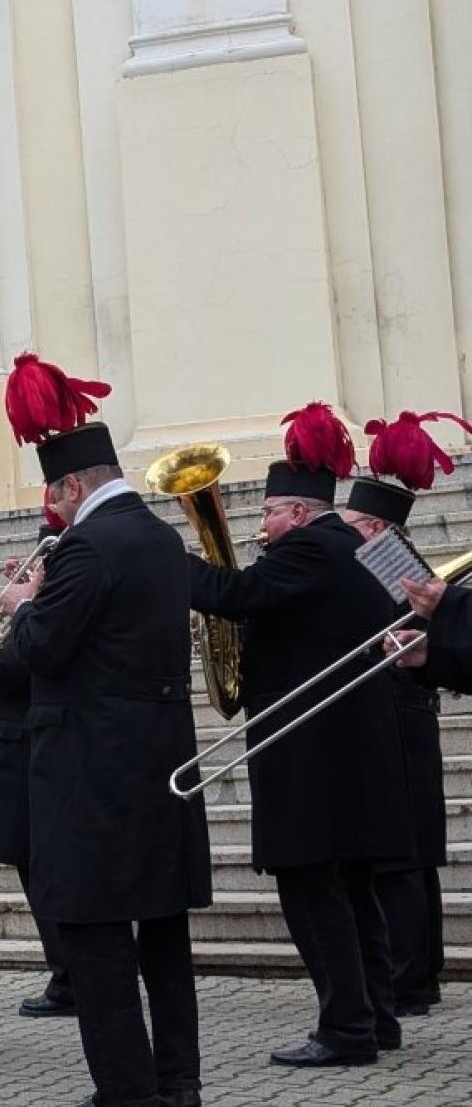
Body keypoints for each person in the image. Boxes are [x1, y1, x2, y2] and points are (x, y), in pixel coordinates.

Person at [0, 353, 211, 1107]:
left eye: (52, 492)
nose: (50, 506)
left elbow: (41, 650)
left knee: (94, 940)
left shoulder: (88, 544)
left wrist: (25, 605)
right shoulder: (154, 537)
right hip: (157, 758)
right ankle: (176, 1082)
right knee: (162, 936)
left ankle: (126, 1090)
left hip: (94, 770)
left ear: (73, 485)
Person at [189, 400, 411, 1068]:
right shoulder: (354, 548)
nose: (259, 525)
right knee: (350, 890)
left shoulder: (311, 547)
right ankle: (374, 1019)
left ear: (295, 511)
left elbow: (233, 597)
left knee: (312, 891)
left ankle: (344, 1030)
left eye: (265, 513)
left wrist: (159, 562)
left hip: (310, 752)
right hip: (350, 748)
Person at [341, 412, 458, 1016]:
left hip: (402, 713)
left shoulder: (390, 560)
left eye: (354, 523)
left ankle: (410, 976)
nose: (348, 532)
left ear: (379, 524)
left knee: (404, 858)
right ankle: (417, 973)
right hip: (403, 711)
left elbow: (405, 635)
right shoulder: (390, 556)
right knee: (408, 856)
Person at [0, 499, 75, 1020]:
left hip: (28, 743)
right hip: (20, 741)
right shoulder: (46, 594)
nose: (31, 568)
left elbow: (18, 666)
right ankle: (67, 972)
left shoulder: (52, 598)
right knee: (31, 863)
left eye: (39, 561)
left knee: (39, 866)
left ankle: (68, 975)